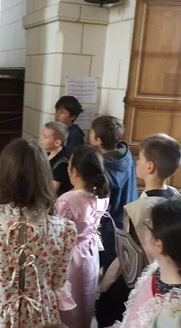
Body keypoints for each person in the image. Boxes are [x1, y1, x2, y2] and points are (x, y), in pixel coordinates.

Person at [0, 138, 78, 327]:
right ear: (45, 178)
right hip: (41, 318)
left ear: (0, 173)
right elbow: (57, 281)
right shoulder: (63, 230)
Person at [97, 133, 181, 327]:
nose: (137, 161)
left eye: (140, 158)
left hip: (140, 276)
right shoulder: (174, 196)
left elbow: (133, 257)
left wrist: (109, 283)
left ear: (150, 167)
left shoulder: (144, 210)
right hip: (161, 268)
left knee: (109, 309)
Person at [56, 145, 110, 328]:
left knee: (69, 300)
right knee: (86, 297)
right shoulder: (102, 195)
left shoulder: (67, 200)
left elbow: (57, 232)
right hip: (91, 252)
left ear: (75, 172)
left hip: (71, 256)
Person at [111, 199, 181, 327]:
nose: (145, 228)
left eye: (148, 225)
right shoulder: (156, 269)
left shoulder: (174, 314)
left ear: (159, 244)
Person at [89, 115, 137, 272]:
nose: (89, 133)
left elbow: (100, 200)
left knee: (107, 265)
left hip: (110, 223)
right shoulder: (124, 154)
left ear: (98, 140)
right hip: (126, 216)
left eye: (91, 131)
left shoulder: (106, 168)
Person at [40, 121, 72, 196]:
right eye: (42, 135)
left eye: (45, 137)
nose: (41, 138)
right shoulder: (46, 155)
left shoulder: (62, 163)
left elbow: (51, 191)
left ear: (57, 143)